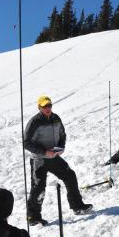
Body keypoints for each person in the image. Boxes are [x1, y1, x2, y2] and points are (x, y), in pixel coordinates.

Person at [24, 95, 92, 226]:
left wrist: (60, 148)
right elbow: (26, 143)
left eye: (49, 105)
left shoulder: (56, 119)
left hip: (54, 157)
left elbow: (62, 135)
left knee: (70, 176)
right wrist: (44, 152)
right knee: (38, 188)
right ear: (39, 107)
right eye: (45, 106)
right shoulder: (34, 122)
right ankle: (33, 217)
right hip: (39, 160)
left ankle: (77, 206)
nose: (48, 108)